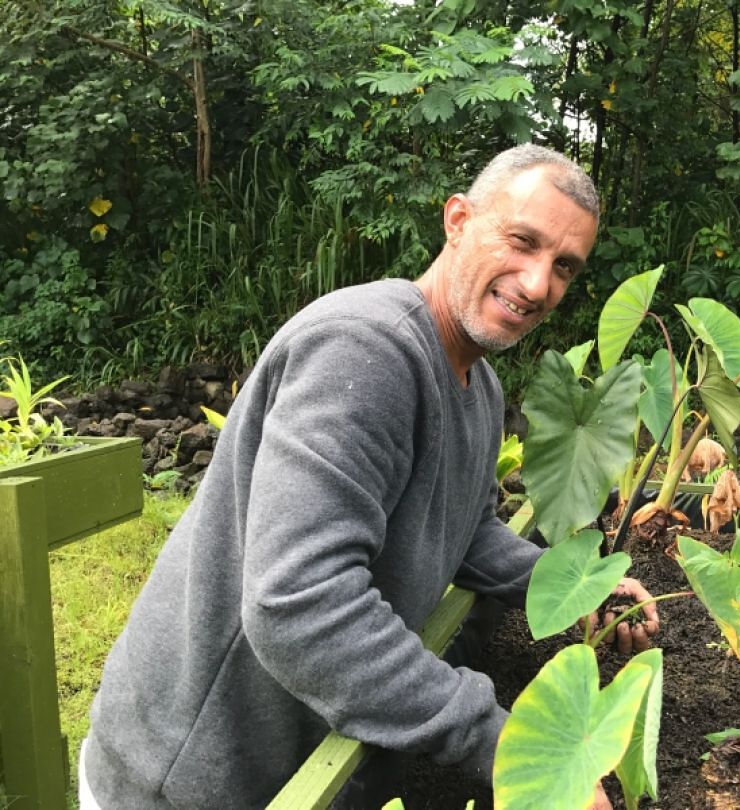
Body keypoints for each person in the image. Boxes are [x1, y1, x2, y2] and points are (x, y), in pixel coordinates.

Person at [81, 144, 660, 809]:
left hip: (302, 762)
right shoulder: (364, 351)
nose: (536, 284)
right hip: (192, 780)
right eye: (522, 241)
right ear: (458, 220)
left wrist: (577, 586)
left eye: (563, 266)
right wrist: (516, 749)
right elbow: (298, 603)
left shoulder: (479, 384)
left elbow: (465, 530)